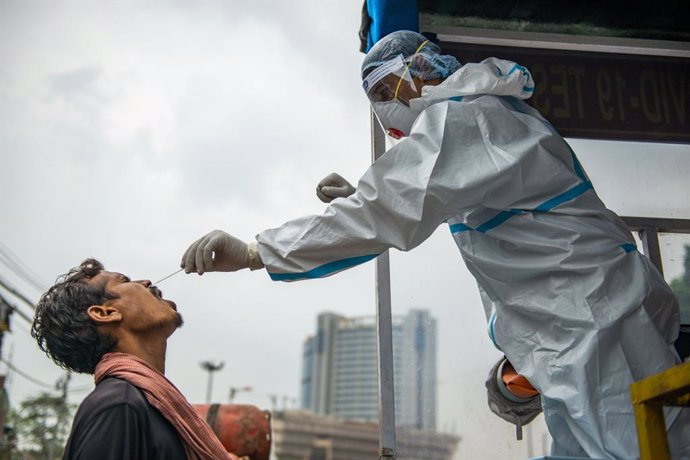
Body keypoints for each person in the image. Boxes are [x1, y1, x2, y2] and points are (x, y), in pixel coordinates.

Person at [180, 31, 689, 458]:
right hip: (572, 324)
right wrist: (362, 197)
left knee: (642, 447)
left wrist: (255, 252)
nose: (385, 112)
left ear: (421, 70)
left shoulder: (469, 116)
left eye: (385, 92)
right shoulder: (481, 119)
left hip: (595, 319)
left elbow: (390, 210)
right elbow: (424, 198)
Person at [32, 258, 240, 460]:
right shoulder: (118, 405)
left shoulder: (156, 409)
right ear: (105, 313)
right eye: (124, 281)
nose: (147, 282)